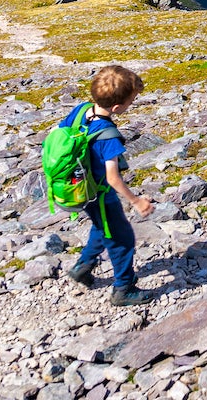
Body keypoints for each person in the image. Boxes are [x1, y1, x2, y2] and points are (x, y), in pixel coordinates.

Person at [62, 64, 155, 306]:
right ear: (117, 107)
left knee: (102, 226)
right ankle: (123, 288)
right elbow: (113, 178)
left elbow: (62, 133)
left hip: (80, 188)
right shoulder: (108, 135)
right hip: (102, 193)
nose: (132, 103)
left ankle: (83, 266)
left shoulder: (81, 110)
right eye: (132, 100)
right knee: (122, 238)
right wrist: (136, 201)